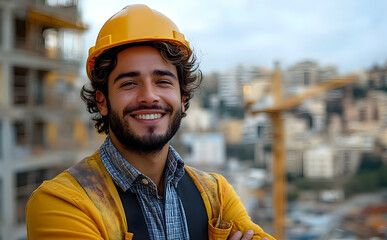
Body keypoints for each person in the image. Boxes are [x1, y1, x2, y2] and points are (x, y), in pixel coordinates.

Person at [26, 4, 274, 240]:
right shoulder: (62, 202)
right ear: (102, 101)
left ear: (183, 98)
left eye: (163, 81)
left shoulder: (216, 194)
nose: (149, 96)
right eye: (129, 83)